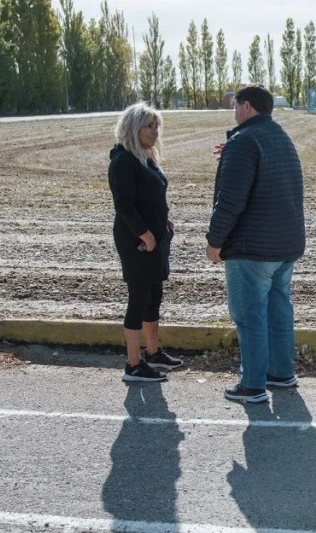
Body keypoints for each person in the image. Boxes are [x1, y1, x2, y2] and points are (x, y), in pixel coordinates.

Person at [207, 85, 306, 404]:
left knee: (249, 315)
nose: (234, 111)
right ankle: (281, 373)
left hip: (252, 247)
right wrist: (232, 152)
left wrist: (215, 240)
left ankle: (252, 385)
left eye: (235, 105)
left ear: (247, 106)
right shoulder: (280, 137)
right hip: (285, 244)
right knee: (279, 311)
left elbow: (230, 201)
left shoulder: (244, 141)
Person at [108, 102, 184, 383]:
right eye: (148, 126)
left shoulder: (145, 158)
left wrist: (165, 222)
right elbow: (124, 206)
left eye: (156, 126)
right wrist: (147, 236)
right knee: (138, 299)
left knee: (154, 296)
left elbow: (151, 197)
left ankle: (153, 353)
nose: (154, 131)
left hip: (156, 238)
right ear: (133, 128)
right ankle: (133, 364)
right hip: (137, 242)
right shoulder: (124, 161)